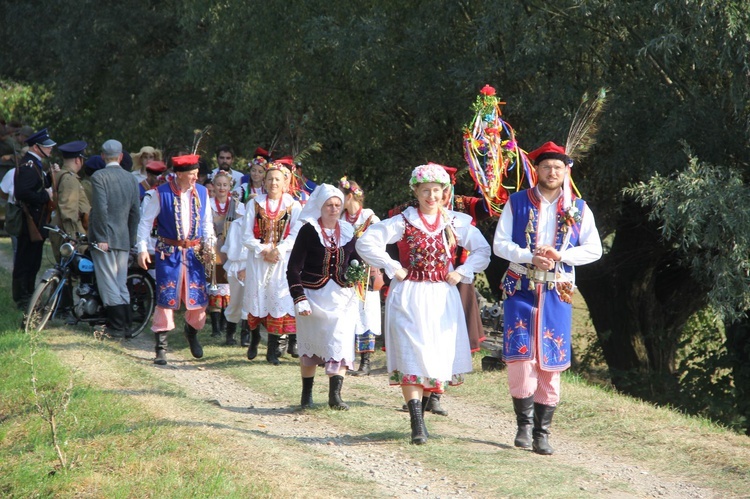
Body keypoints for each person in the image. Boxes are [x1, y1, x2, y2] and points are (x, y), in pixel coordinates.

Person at [356, 164, 491, 444]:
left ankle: (424, 412)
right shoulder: (403, 221)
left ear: (445, 193)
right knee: (411, 353)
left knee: (434, 356)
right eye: (425, 191)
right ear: (416, 192)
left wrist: (463, 272)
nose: (431, 196)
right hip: (410, 295)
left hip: (442, 296)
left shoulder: (455, 222)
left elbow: (482, 249)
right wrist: (392, 266)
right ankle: (417, 423)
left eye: (437, 191)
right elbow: (367, 243)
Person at [493, 141, 602, 455]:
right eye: (546, 167)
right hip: (521, 287)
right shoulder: (517, 202)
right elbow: (500, 244)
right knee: (520, 356)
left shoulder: (579, 208)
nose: (552, 172)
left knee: (550, 361)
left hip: (558, 290)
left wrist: (561, 254)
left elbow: (594, 249)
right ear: (536, 170)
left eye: (557, 167)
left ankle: (543, 432)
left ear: (566, 171)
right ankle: (523, 427)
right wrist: (529, 256)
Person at [137, 154, 215, 365]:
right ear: (179, 174)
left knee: (198, 302)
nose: (195, 178)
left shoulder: (202, 192)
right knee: (166, 298)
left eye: (197, 174)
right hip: (168, 253)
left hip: (194, 254)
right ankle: (161, 347)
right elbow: (144, 223)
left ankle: (191, 333)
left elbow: (207, 223)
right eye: (191, 174)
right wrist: (143, 249)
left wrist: (210, 245)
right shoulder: (159, 194)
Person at [286, 184, 359, 410]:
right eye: (329, 205)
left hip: (342, 297)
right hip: (313, 296)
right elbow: (293, 268)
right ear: (320, 206)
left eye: (337, 205)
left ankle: (335, 396)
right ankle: (306, 394)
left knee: (342, 341)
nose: (334, 209)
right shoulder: (309, 231)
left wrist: (358, 274)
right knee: (310, 348)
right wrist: (299, 298)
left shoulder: (348, 231)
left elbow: (357, 260)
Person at [241, 161, 302, 364]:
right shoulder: (254, 203)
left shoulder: (294, 205)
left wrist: (280, 249)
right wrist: (263, 250)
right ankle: (254, 337)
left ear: (285, 183)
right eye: (270, 179)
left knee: (277, 299)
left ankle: (272, 349)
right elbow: (246, 235)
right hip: (259, 260)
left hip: (281, 260)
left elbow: (296, 233)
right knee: (257, 298)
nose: (273, 183)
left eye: (278, 179)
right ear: (264, 182)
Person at [88, 139, 141, 337]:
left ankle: (117, 327)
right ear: (120, 156)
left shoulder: (99, 176)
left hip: (105, 238)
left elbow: (101, 209)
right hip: (123, 238)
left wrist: (101, 236)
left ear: (102, 156)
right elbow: (135, 212)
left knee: (108, 283)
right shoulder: (131, 179)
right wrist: (131, 238)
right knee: (120, 283)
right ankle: (127, 326)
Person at [339, 176, 382, 377]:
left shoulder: (371, 219)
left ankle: (365, 362)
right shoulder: (340, 218)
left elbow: (379, 246)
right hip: (345, 273)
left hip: (366, 274)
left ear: (350, 197)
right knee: (345, 313)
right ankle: (345, 357)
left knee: (366, 314)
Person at [13, 128, 56, 310]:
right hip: (30, 219)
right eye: (47, 147)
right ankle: (23, 298)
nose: (50, 149)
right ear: (37, 147)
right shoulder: (29, 165)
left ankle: (29, 295)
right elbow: (23, 192)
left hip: (36, 220)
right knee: (26, 260)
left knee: (33, 260)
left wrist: (49, 177)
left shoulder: (34, 164)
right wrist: (45, 197)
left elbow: (37, 183)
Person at [207, 171, 244, 341]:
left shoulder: (236, 205)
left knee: (229, 287)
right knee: (215, 284)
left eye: (225, 185)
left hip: (231, 248)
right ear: (213, 186)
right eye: (218, 184)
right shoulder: (208, 204)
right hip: (214, 247)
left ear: (230, 187)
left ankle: (226, 325)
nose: (221, 188)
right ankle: (215, 327)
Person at [49, 141, 91, 262]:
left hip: (65, 229)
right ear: (78, 160)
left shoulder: (61, 175)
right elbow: (69, 210)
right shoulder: (69, 179)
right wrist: (73, 237)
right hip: (70, 232)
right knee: (72, 272)